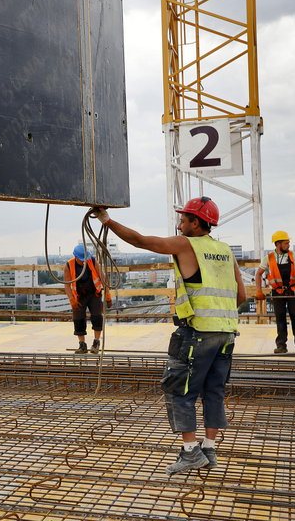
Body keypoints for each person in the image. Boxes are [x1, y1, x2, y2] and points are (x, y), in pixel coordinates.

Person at [92, 197, 246, 475]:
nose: (179, 224)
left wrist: (107, 220)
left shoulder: (186, 244)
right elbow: (242, 295)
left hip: (197, 333)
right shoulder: (225, 251)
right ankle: (209, 449)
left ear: (195, 223)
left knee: (179, 391)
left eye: (183, 219)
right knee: (214, 392)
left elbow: (141, 241)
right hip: (226, 333)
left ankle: (190, 454)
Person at [254, 231, 295, 353]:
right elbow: (258, 274)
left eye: (288, 243)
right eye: (286, 243)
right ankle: (281, 346)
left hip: (293, 291)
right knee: (280, 320)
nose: (288, 245)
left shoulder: (293, 256)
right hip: (277, 293)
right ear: (278, 244)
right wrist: (259, 291)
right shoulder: (269, 258)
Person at [64, 245, 111, 354]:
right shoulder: (69, 266)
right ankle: (82, 345)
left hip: (94, 293)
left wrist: (107, 294)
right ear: (75, 257)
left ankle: (96, 342)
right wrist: (71, 299)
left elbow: (103, 278)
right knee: (78, 319)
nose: (84, 262)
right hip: (79, 296)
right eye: (81, 260)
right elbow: (67, 285)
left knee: (97, 316)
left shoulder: (93, 262)